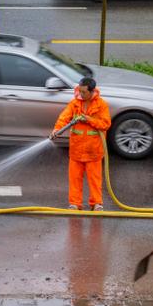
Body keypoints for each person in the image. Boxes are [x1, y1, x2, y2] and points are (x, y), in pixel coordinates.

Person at [50, 77, 111, 211]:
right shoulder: (75, 103)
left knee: (94, 180)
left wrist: (88, 119)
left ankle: (96, 204)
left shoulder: (101, 105)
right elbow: (64, 117)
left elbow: (105, 124)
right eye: (79, 91)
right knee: (75, 179)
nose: (80, 94)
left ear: (92, 91)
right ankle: (75, 204)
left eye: (83, 92)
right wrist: (56, 129)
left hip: (93, 150)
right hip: (76, 149)